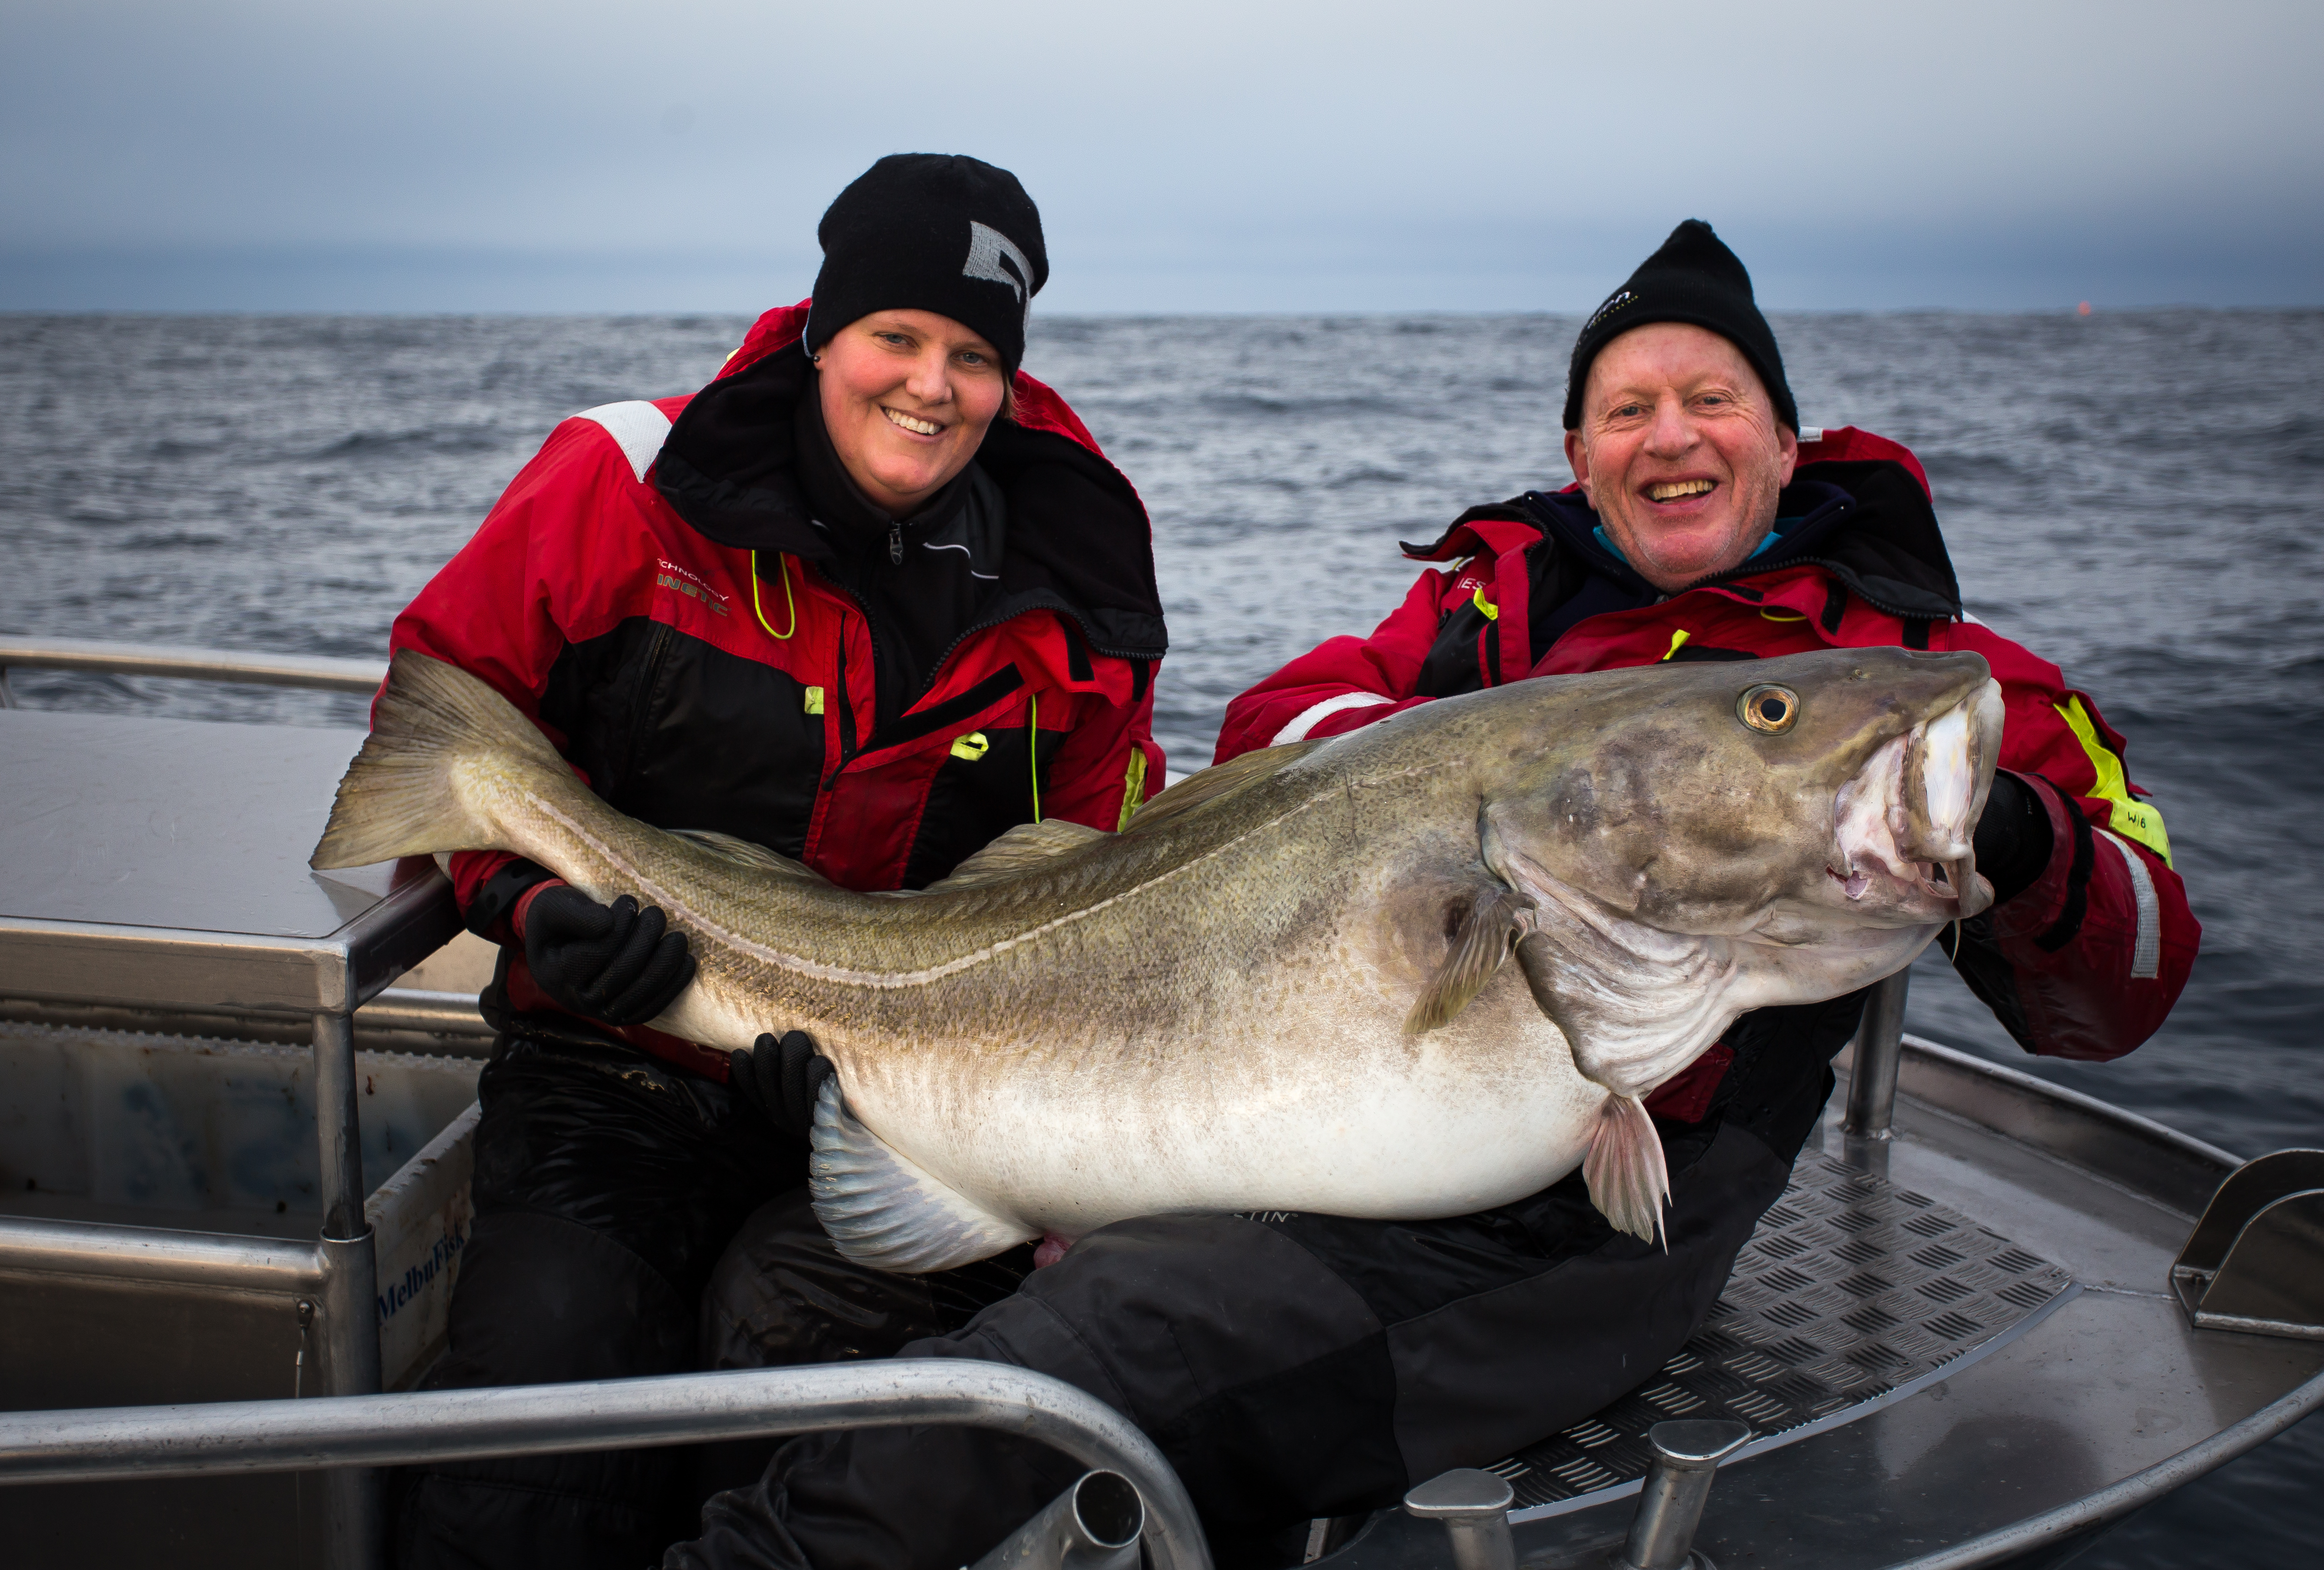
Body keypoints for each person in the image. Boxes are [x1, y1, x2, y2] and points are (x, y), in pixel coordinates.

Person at [659, 222, 2198, 1570]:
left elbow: (2133, 970)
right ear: (1585, 454)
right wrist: (1394, 796)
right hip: (1323, 1116)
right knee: (790, 1283)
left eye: (1714, 399)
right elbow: (1286, 715)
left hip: (1575, 1236)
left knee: (1082, 1360)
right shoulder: (1492, 599)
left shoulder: (1903, 667)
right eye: (1627, 408)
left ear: (1787, 443)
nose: (1672, 436)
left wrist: (2015, 834)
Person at [384, 153, 1168, 1570]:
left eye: (976, 356)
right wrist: (534, 910)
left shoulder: (1081, 576)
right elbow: (444, 716)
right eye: (898, 336)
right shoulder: (626, 480)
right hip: (611, 1066)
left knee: (796, 1375)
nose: (932, 386)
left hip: (902, 1109)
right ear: (822, 326)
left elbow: (1100, 884)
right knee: (548, 1383)